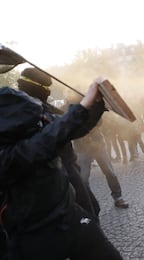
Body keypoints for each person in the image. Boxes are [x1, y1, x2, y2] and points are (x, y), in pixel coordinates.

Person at [0, 81, 123, 259]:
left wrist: (97, 104)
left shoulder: (36, 123)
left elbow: (71, 127)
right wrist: (82, 106)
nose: (40, 126)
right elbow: (45, 143)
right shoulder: (7, 154)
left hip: (69, 215)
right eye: (33, 125)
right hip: (33, 235)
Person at [17, 67, 100, 219]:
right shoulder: (26, 114)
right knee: (86, 215)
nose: (48, 92)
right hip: (55, 173)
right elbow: (64, 128)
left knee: (92, 208)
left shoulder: (44, 108)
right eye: (45, 89)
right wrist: (87, 106)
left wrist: (96, 107)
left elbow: (74, 125)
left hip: (68, 168)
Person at [73, 122, 130, 209]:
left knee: (110, 172)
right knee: (83, 179)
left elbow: (99, 121)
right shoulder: (66, 109)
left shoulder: (92, 108)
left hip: (98, 145)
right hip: (82, 148)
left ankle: (118, 197)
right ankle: (88, 203)